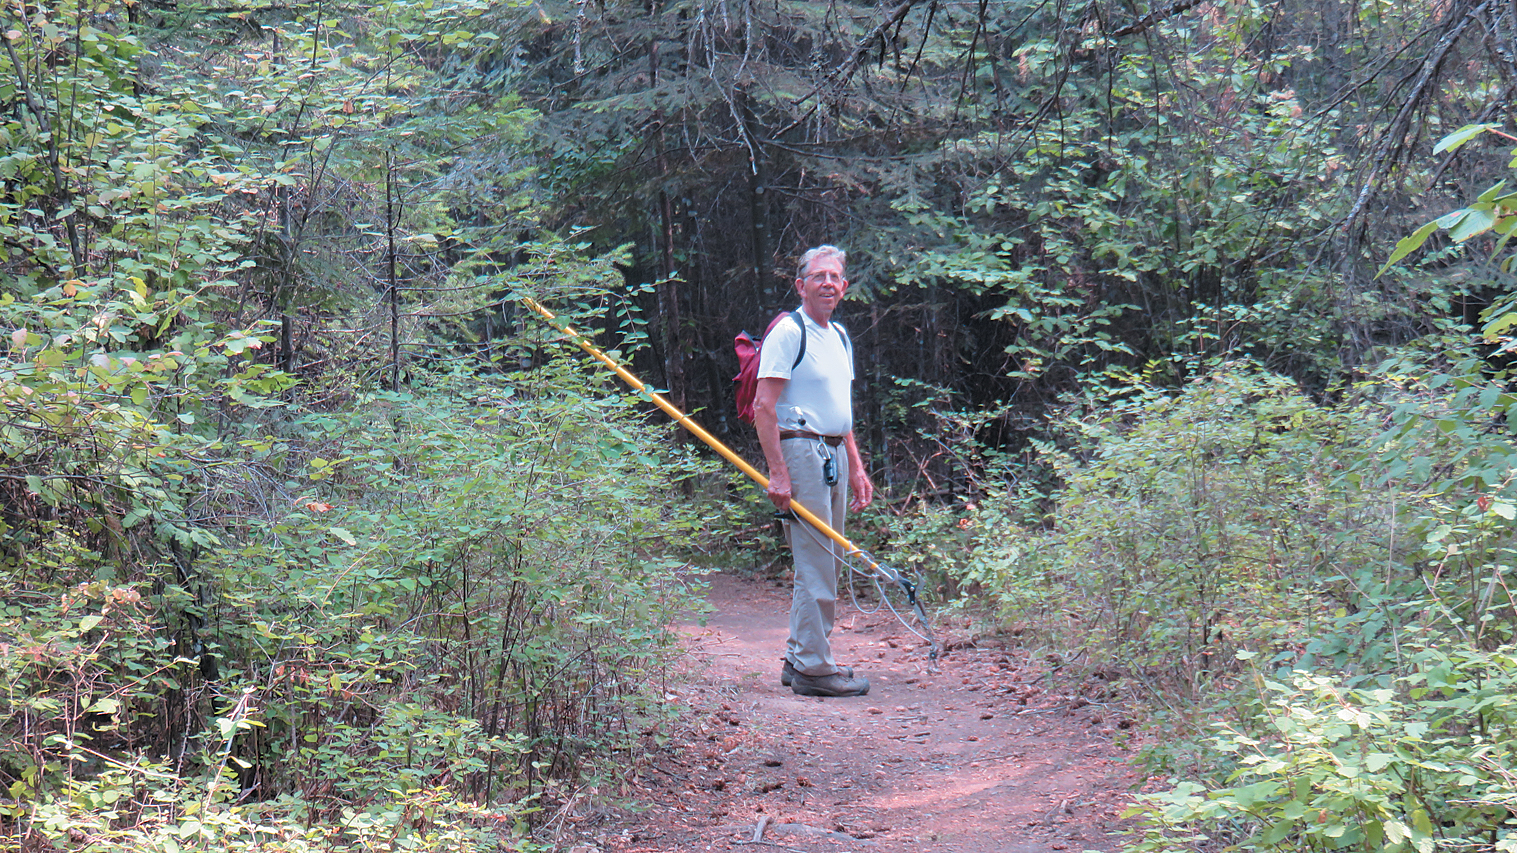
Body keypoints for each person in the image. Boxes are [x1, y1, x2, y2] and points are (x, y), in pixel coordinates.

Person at [752, 245, 875, 698]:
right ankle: (813, 669)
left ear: (843, 287)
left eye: (835, 276)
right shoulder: (789, 332)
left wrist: (857, 466)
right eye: (818, 276)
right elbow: (763, 407)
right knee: (817, 559)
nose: (827, 282)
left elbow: (840, 411)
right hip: (802, 453)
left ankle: (800, 655)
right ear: (800, 285)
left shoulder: (839, 336)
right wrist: (779, 474)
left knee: (826, 558)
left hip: (834, 454)